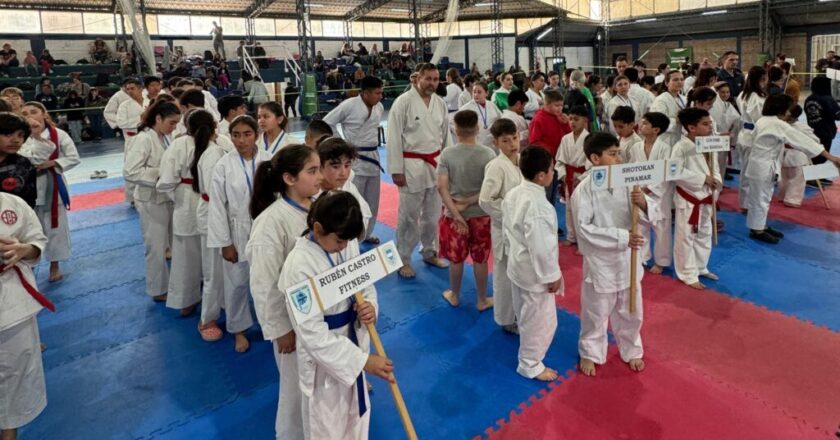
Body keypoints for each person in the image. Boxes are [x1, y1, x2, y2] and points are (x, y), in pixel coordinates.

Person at [277, 191, 393, 439]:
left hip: (355, 337)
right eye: (340, 241)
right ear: (317, 228)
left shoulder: (347, 242)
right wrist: (362, 361)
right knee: (327, 427)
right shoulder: (298, 266)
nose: (345, 246)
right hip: (324, 363)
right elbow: (312, 335)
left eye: (348, 240)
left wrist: (370, 306)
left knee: (356, 421)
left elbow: (364, 282)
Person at [246, 144, 322, 440]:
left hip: (322, 313)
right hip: (292, 322)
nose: (319, 177)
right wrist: (280, 329)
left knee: (322, 388)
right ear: (289, 179)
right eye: (312, 171)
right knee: (295, 390)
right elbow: (263, 284)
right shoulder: (270, 222)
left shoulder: (320, 206)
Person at [573, 132, 654, 377]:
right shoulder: (584, 189)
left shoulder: (628, 180)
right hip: (601, 261)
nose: (619, 158)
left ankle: (631, 348)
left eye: (619, 153)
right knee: (596, 310)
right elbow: (584, 229)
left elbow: (651, 215)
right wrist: (621, 237)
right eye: (613, 154)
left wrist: (644, 204)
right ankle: (590, 351)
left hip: (628, 258)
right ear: (595, 158)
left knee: (631, 309)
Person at [208, 115, 270, 351]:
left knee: (268, 281)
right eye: (236, 135)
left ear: (257, 135)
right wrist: (225, 243)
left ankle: (270, 323)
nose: (241, 140)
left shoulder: (269, 161)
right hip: (236, 230)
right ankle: (239, 330)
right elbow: (216, 206)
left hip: (266, 228)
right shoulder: (223, 165)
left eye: (247, 134)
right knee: (236, 284)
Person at [502, 146, 564, 381]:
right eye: (551, 168)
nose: (553, 171)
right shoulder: (539, 206)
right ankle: (530, 364)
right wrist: (553, 275)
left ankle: (527, 352)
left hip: (519, 266)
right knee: (542, 321)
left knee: (525, 312)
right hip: (535, 272)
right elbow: (541, 248)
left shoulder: (515, 193)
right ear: (541, 175)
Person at [386, 63, 451, 278]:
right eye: (428, 79)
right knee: (408, 217)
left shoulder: (440, 104)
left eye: (436, 79)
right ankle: (403, 258)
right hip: (411, 167)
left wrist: (448, 166)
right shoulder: (403, 103)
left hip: (435, 164)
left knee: (433, 215)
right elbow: (394, 137)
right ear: (418, 79)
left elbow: (446, 137)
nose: (432, 83)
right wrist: (396, 169)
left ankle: (429, 251)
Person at [746, 95, 840, 243]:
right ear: (781, 109)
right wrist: (830, 157)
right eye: (788, 109)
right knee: (761, 199)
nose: (790, 113)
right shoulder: (777, 124)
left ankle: (760, 225)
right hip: (763, 166)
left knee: (762, 197)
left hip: (760, 164)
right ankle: (757, 230)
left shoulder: (763, 120)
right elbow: (802, 141)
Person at [0, 191, 49, 440]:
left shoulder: (12, 203)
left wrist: (24, 250)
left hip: (12, 297)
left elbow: (37, 242)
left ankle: (9, 431)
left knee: (16, 368)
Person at [155, 110, 212, 323]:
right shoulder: (219, 145)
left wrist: (177, 194)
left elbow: (166, 181)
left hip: (186, 203)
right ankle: (216, 301)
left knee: (185, 258)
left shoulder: (178, 146)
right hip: (211, 204)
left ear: (186, 126)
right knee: (212, 258)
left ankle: (187, 301)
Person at [436, 110, 496, 311]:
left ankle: (454, 295)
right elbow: (490, 190)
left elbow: (441, 188)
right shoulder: (488, 154)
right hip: (481, 215)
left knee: (456, 259)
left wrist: (457, 213)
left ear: (455, 130)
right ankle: (481, 299)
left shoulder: (447, 154)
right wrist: (469, 203)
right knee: (480, 259)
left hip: (454, 216)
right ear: (478, 129)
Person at [123, 101, 181, 303]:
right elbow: (130, 171)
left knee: (174, 244)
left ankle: (178, 283)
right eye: (171, 123)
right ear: (158, 118)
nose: (173, 127)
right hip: (150, 200)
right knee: (155, 247)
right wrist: (161, 174)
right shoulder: (143, 139)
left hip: (167, 197)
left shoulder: (164, 137)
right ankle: (157, 289)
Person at [20, 102, 80, 283]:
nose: (30, 115)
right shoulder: (18, 135)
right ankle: (27, 264)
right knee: (27, 229)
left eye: (34, 112)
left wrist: (53, 163)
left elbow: (73, 157)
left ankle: (55, 265)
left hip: (53, 184)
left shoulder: (58, 134)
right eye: (25, 113)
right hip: (26, 187)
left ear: (44, 114)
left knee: (55, 228)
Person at [322, 75, 385, 244]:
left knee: (372, 200)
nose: (380, 96)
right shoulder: (349, 105)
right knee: (353, 200)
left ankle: (367, 232)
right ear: (365, 93)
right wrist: (342, 143)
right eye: (377, 93)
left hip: (373, 157)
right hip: (354, 159)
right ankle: (350, 235)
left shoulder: (378, 107)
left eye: (381, 93)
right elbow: (327, 122)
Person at [193, 112, 235, 343]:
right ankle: (207, 319)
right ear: (215, 127)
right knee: (212, 271)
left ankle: (226, 305)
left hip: (222, 211)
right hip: (214, 212)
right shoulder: (212, 153)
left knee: (226, 268)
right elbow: (214, 189)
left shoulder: (215, 148)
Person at [479, 119, 523, 334]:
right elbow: (485, 200)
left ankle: (518, 312)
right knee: (504, 273)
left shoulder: (522, 161)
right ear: (496, 143)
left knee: (520, 272)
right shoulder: (496, 166)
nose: (512, 144)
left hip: (521, 228)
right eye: (505, 141)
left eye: (514, 138)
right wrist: (511, 213)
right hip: (504, 227)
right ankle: (505, 318)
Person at [670, 108, 721, 290]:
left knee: (704, 234)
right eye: (705, 124)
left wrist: (716, 184)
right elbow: (673, 172)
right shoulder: (680, 147)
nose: (710, 127)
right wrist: (703, 179)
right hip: (689, 199)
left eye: (710, 123)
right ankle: (687, 274)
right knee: (686, 236)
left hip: (707, 197)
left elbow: (714, 168)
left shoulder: (708, 143)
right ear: (691, 127)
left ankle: (701, 267)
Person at [628, 112, 673, 273]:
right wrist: (636, 188)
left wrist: (648, 188)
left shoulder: (665, 149)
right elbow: (632, 170)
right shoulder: (636, 147)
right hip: (639, 191)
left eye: (646, 123)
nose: (641, 125)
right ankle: (642, 257)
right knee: (640, 225)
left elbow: (665, 173)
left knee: (661, 227)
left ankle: (661, 261)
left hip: (658, 193)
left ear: (656, 130)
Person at [315, 138, 372, 233]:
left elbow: (365, 217)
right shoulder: (311, 193)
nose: (343, 173)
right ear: (320, 166)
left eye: (347, 165)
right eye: (335, 167)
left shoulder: (348, 186)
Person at [529, 89, 572, 207]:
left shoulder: (559, 117)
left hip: (557, 162)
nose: (560, 108)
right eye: (556, 105)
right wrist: (554, 150)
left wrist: (565, 124)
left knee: (554, 194)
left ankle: (551, 221)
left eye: (561, 105)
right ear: (547, 104)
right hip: (545, 163)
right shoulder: (538, 119)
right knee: (545, 195)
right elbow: (534, 142)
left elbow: (569, 137)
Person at [555, 106, 590, 246]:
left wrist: (581, 178)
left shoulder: (590, 139)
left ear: (585, 120)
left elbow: (594, 164)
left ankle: (584, 241)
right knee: (569, 207)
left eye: (576, 119)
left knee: (583, 209)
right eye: (570, 119)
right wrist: (563, 175)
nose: (572, 122)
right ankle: (571, 236)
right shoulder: (565, 139)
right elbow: (559, 161)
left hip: (584, 177)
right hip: (569, 176)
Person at [736, 67, 768, 208]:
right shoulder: (756, 97)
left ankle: (746, 202)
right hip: (753, 136)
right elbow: (758, 118)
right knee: (751, 172)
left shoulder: (743, 94)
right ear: (762, 78)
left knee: (746, 171)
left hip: (744, 135)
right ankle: (748, 203)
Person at [779, 105, 822, 208]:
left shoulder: (783, 126)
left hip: (788, 155)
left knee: (786, 178)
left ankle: (785, 196)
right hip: (794, 156)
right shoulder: (802, 127)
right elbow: (816, 140)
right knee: (795, 179)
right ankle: (791, 199)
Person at [117, 79, 147, 205]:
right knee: (132, 167)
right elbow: (121, 123)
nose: (129, 91)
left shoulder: (149, 102)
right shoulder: (124, 106)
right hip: (133, 139)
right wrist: (140, 118)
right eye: (127, 89)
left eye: (132, 88)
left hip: (150, 137)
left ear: (140, 88)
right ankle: (132, 198)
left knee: (149, 166)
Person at [0, 113, 37, 208]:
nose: (15, 140)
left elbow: (29, 201)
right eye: (8, 134)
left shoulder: (23, 164)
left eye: (20, 135)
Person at [804, 76, 840, 171]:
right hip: (825, 131)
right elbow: (837, 115)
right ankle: (814, 176)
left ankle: (814, 176)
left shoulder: (809, 98)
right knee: (822, 156)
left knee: (815, 154)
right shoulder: (827, 99)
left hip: (812, 130)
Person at [456, 81, 502, 151]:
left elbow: (501, 119)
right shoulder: (466, 108)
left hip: (492, 143)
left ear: (486, 93)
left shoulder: (492, 105)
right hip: (475, 143)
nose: (476, 94)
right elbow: (456, 123)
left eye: (479, 92)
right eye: (474, 92)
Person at [650, 70, 686, 146]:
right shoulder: (661, 99)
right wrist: (676, 120)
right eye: (675, 80)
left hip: (681, 138)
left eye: (682, 79)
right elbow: (658, 122)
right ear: (667, 83)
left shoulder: (684, 99)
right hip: (665, 140)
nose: (679, 82)